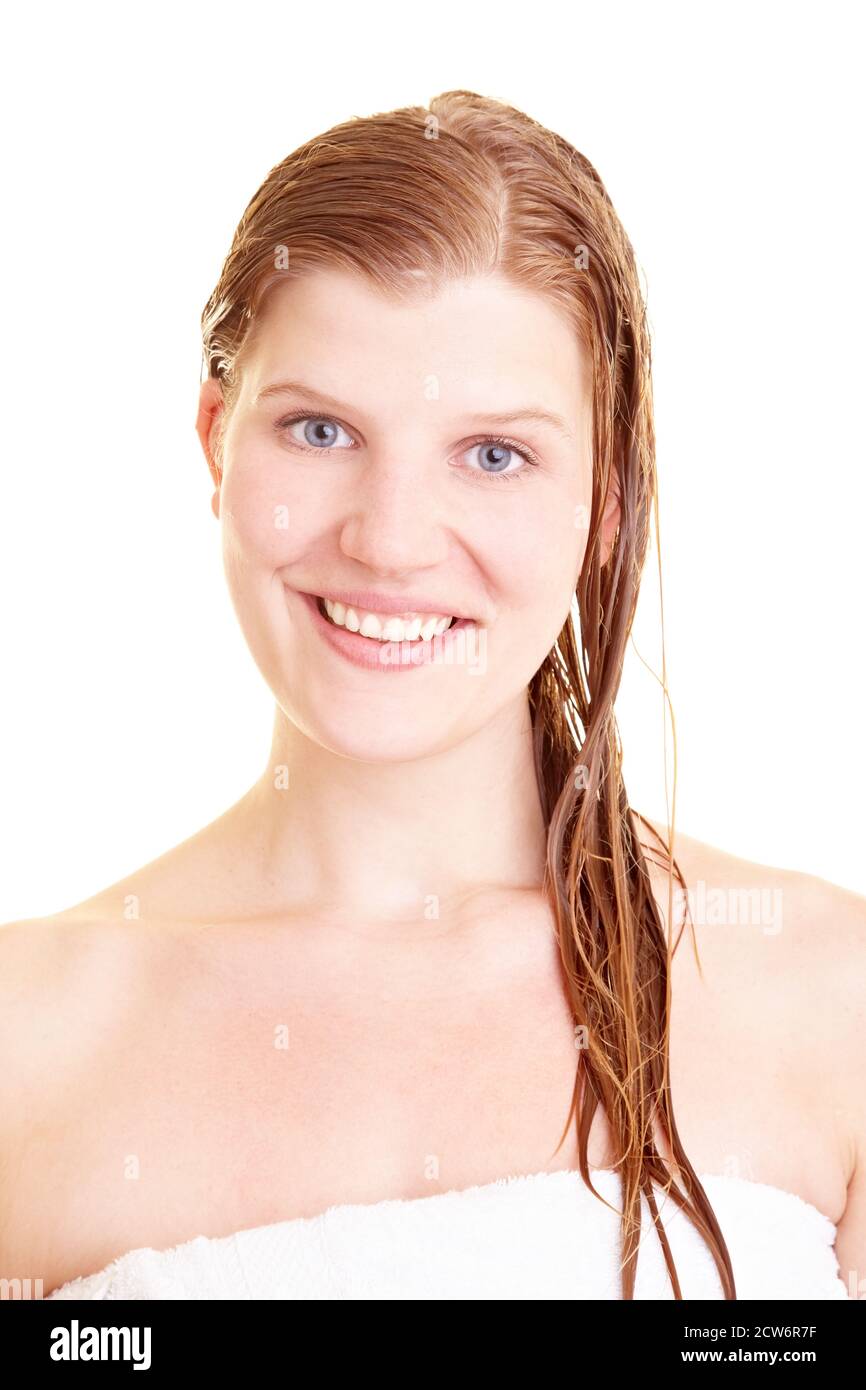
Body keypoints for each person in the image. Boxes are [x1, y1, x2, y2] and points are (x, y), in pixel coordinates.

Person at [1, 90, 863, 1302]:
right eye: (317, 430)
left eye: (494, 454)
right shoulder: (22, 1048)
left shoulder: (834, 998)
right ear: (213, 435)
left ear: (606, 503)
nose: (391, 541)